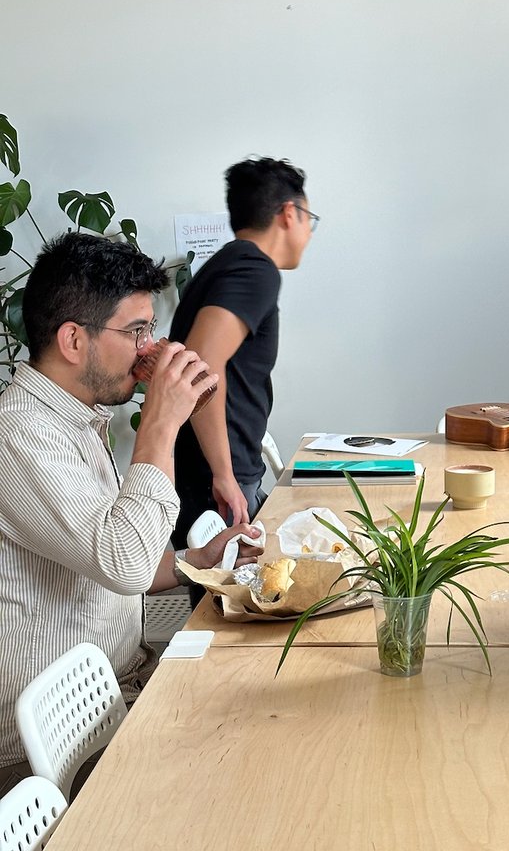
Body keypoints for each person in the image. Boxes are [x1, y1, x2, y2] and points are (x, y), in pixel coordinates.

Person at [0, 232, 258, 792]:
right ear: (73, 339)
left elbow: (119, 565)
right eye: (136, 330)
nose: (149, 346)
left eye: (150, 329)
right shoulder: (19, 434)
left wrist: (196, 558)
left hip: (120, 695)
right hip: (52, 751)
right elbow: (124, 564)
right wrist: (162, 424)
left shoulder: (77, 419)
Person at [169, 157, 315, 551]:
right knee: (229, 606)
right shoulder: (255, 269)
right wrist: (224, 473)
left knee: (224, 599)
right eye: (309, 220)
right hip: (216, 476)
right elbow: (199, 362)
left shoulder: (225, 265)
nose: (310, 234)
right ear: (289, 213)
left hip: (208, 470)